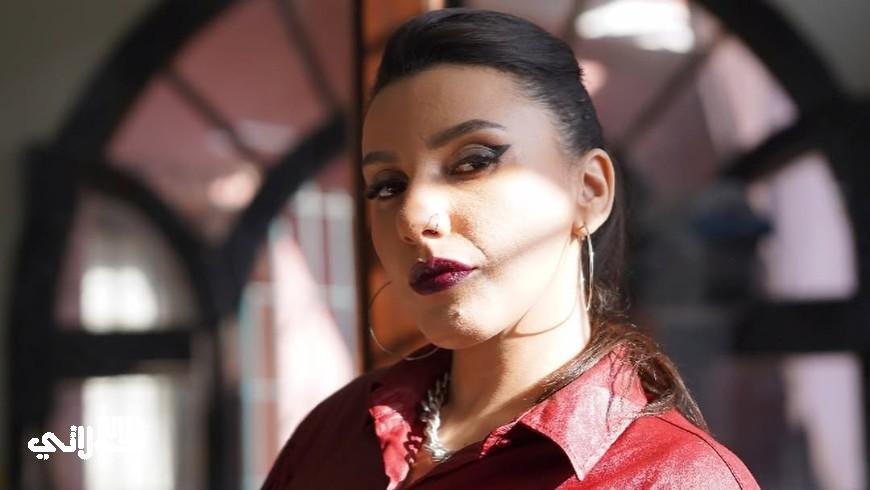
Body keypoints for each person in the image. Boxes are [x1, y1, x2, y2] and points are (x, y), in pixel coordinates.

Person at [263, 8, 759, 490]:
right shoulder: (335, 433)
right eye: (388, 186)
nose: (413, 218)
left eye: (473, 161)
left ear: (589, 191)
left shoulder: (674, 478)